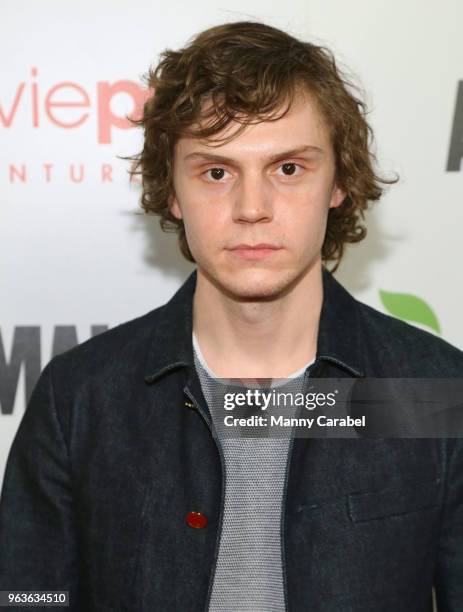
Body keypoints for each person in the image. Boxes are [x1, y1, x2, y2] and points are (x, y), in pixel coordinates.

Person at [0, 20, 462, 612]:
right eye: (216, 172)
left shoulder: (431, 394)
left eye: (288, 169)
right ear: (172, 190)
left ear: (339, 182)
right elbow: (27, 597)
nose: (252, 209)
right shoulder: (81, 400)